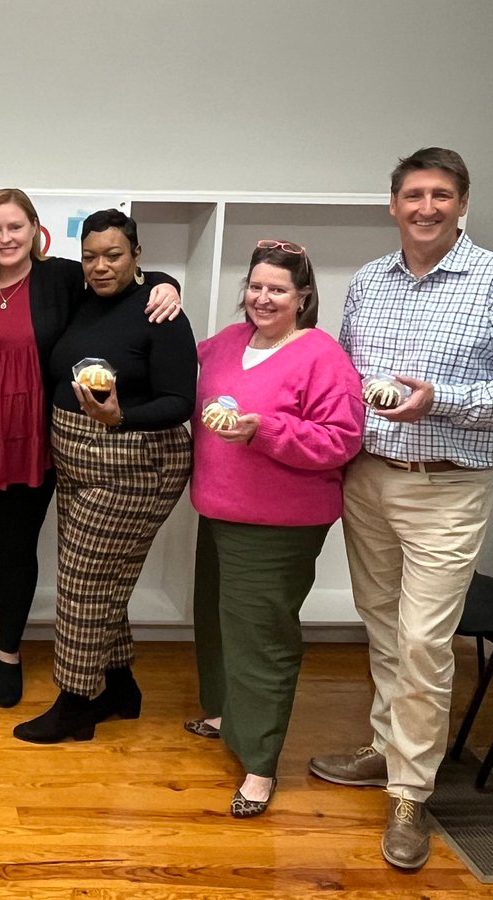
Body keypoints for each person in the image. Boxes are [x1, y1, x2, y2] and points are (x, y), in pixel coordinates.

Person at [0, 191, 180, 709]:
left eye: (15, 227)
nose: (5, 239)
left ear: (36, 230)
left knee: (16, 554)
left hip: (33, 444)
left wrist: (167, 285)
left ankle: (12, 653)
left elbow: (118, 280)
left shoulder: (60, 279)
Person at [308, 147, 493, 869]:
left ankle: (411, 794)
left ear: (461, 203)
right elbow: (345, 375)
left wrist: (440, 400)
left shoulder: (489, 279)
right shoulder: (367, 282)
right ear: (393, 205)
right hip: (369, 479)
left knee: (423, 642)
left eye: (441, 194)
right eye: (414, 194)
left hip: (447, 485)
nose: (426, 206)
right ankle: (386, 750)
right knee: (383, 628)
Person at [185, 240, 364, 816]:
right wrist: (161, 291)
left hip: (277, 524)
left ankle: (260, 766)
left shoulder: (321, 355)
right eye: (256, 287)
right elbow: (171, 360)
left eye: (278, 289)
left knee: (262, 639)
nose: (263, 298)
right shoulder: (226, 343)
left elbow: (342, 440)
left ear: (303, 297)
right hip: (218, 510)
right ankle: (222, 715)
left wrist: (265, 430)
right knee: (216, 621)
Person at [13, 209, 194, 743]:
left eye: (113, 255)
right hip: (75, 460)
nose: (100, 265)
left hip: (136, 463)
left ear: (137, 253)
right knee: (102, 581)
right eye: (91, 256)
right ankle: (119, 685)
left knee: (82, 583)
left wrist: (120, 418)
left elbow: (180, 402)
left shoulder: (164, 315)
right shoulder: (81, 295)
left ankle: (75, 704)